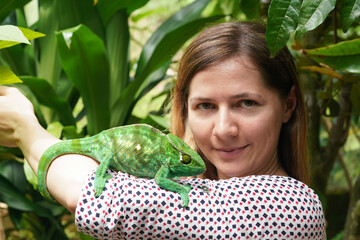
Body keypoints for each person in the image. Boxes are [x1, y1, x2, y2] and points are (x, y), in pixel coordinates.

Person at [0, 21, 326, 239]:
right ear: (185, 109)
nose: (224, 129)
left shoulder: (292, 207)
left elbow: (104, 200)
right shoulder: (193, 185)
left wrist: (26, 131)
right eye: (205, 106)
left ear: (288, 105)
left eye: (247, 104)